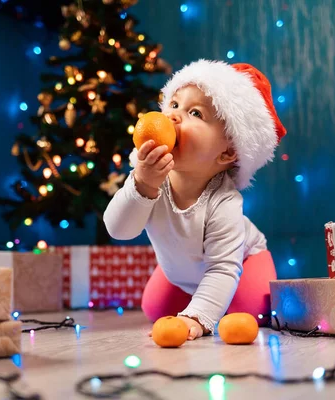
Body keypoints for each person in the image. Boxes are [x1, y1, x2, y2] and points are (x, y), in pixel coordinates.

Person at [103, 59, 287, 340]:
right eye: (174, 105)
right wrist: (142, 185)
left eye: (195, 113)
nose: (173, 116)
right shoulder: (150, 176)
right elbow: (119, 229)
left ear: (226, 153)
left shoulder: (224, 201)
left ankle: (211, 301)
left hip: (242, 261)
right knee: (154, 308)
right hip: (183, 269)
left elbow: (223, 267)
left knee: (250, 311)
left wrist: (197, 317)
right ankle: (199, 294)